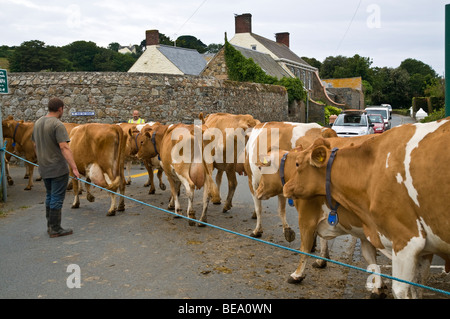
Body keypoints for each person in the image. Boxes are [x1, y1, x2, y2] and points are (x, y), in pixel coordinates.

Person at [32, 97, 80, 238]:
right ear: (60, 109)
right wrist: (74, 168)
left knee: (50, 195)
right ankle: (56, 229)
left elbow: (35, 145)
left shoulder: (38, 122)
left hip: (44, 167)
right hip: (57, 167)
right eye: (63, 109)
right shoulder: (57, 125)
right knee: (57, 198)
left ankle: (50, 226)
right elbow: (64, 147)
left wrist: (41, 159)